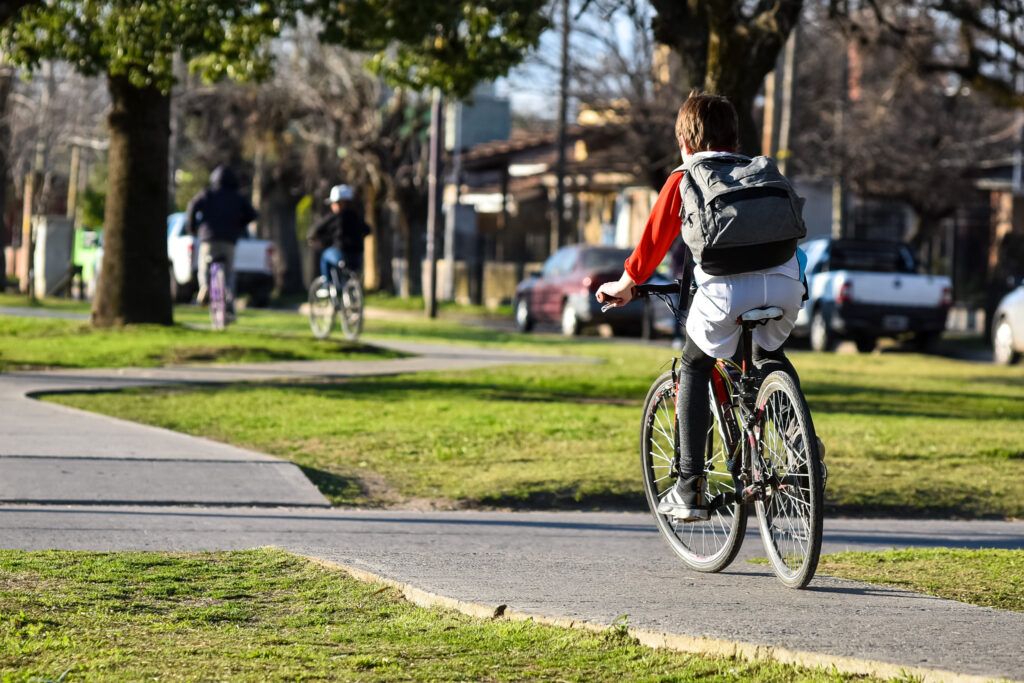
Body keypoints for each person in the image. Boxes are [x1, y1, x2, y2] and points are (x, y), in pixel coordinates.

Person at [597, 93, 806, 522]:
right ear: (735, 138)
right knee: (769, 354)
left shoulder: (685, 175)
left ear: (685, 143)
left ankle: (689, 487)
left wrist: (624, 286)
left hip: (726, 294)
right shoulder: (761, 172)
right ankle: (803, 450)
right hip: (786, 287)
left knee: (695, 363)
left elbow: (652, 242)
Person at [185, 165, 258, 306]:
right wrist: (239, 225)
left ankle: (205, 286)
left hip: (209, 238)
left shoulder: (208, 194)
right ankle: (229, 296)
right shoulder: (237, 197)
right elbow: (252, 214)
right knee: (229, 273)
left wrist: (192, 228)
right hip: (229, 240)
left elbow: (192, 206)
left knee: (204, 266)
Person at [308, 184, 370, 282]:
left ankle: (327, 283)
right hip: (357, 256)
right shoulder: (356, 217)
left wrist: (316, 240)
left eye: (333, 203)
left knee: (325, 255)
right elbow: (368, 230)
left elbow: (315, 231)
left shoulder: (334, 217)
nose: (332, 206)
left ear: (340, 203)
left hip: (340, 254)